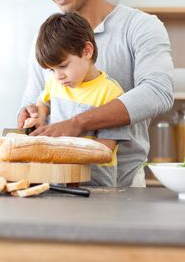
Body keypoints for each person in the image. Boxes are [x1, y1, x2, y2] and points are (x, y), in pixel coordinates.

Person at [17, 0, 174, 187]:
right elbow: (34, 98)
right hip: (59, 182)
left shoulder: (140, 26)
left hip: (121, 184)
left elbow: (158, 92)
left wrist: (77, 124)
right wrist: (31, 113)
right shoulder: (45, 39)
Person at [24, 11, 129, 186]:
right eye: (52, 70)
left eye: (63, 66)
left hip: (95, 187)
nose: (58, 76)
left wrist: (59, 148)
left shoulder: (111, 92)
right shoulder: (55, 82)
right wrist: (39, 119)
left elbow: (106, 149)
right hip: (56, 182)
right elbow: (43, 103)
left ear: (87, 51)